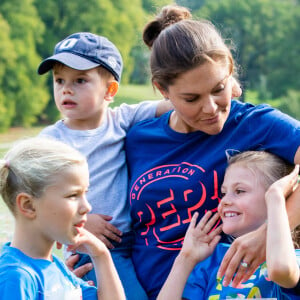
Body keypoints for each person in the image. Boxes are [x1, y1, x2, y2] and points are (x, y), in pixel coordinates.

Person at [125, 4, 300, 299]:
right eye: (191, 98)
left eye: (218, 89)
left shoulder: (255, 124)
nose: (210, 108)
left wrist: (269, 232)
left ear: (230, 69)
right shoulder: (138, 138)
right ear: (162, 90)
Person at [37, 31, 172, 299]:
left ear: (110, 90)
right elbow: (33, 196)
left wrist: (225, 86)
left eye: (80, 81)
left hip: (132, 242)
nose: (66, 89)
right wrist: (77, 224)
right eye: (59, 80)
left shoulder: (121, 120)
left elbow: (177, 101)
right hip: (87, 247)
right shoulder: (50, 140)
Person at [158, 151, 300, 299]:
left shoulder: (291, 258)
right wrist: (185, 259)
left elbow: (281, 269)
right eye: (223, 193)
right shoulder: (212, 261)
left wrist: (276, 197)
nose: (224, 201)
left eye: (239, 191)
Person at [0, 137, 125, 300]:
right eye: (73, 195)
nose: (87, 207)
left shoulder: (56, 267)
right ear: (28, 205)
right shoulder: (16, 277)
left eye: (85, 194)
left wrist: (101, 254)